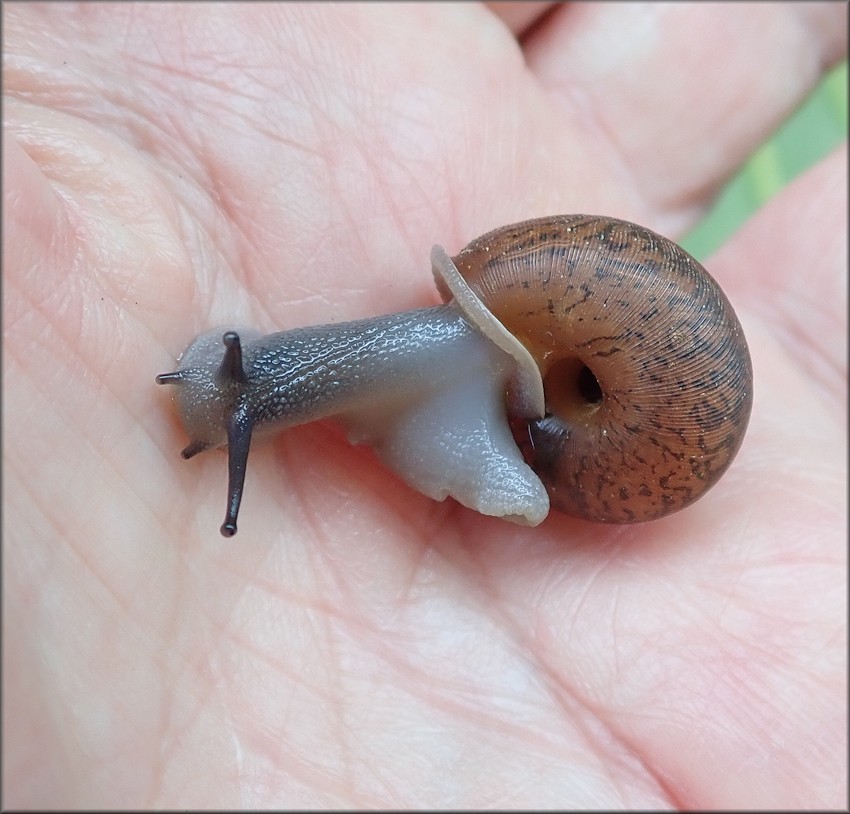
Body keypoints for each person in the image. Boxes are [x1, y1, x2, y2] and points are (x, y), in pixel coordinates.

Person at [4, 2, 846, 808]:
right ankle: (249, 391)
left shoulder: (591, 423)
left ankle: (251, 392)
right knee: (392, 357)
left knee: (410, 355)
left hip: (564, 405)